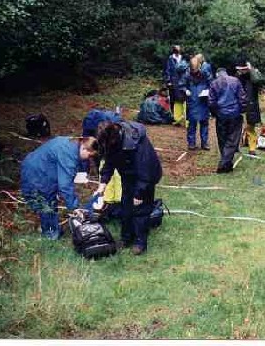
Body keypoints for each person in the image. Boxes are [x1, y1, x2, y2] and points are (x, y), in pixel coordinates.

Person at [95, 120, 162, 255]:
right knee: (126, 206)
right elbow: (109, 162)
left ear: (114, 138)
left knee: (140, 209)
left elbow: (146, 170)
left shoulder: (137, 143)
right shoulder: (111, 143)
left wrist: (139, 193)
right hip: (128, 174)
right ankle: (126, 237)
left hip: (146, 177)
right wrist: (103, 184)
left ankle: (140, 242)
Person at [20, 136, 99, 239]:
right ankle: (50, 235)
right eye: (89, 155)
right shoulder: (69, 154)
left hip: (40, 168)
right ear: (84, 148)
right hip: (36, 173)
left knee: (49, 200)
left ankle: (52, 228)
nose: (89, 158)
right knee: (45, 203)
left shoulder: (73, 143)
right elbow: (65, 185)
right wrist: (74, 207)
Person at [208, 67, 247, 173]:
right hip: (235, 114)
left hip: (221, 114)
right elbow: (242, 98)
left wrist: (214, 113)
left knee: (222, 140)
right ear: (226, 73)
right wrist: (242, 110)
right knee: (232, 140)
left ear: (217, 74)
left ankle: (226, 164)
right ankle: (224, 164)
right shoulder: (235, 81)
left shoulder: (214, 83)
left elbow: (211, 102)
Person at [235, 54, 265, 156]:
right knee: (238, 127)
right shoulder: (238, 76)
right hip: (240, 104)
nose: (240, 71)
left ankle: (252, 149)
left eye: (242, 70)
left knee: (250, 126)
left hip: (251, 104)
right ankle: (238, 145)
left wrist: (251, 69)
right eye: (239, 70)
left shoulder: (254, 74)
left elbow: (258, 80)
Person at [182, 54, 211, 150]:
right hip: (192, 101)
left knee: (204, 123)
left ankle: (204, 143)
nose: (194, 71)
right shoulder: (187, 74)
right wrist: (185, 90)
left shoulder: (205, 73)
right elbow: (181, 85)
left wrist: (208, 91)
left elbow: (211, 83)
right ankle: (191, 143)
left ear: (199, 66)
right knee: (192, 124)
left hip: (203, 101)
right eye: (193, 70)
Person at [163, 45, 188, 126]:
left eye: (179, 50)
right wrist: (168, 81)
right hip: (173, 81)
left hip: (182, 82)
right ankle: (175, 117)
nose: (178, 52)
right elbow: (167, 71)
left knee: (183, 99)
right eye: (177, 50)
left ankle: (183, 117)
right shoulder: (170, 59)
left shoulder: (183, 58)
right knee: (174, 99)